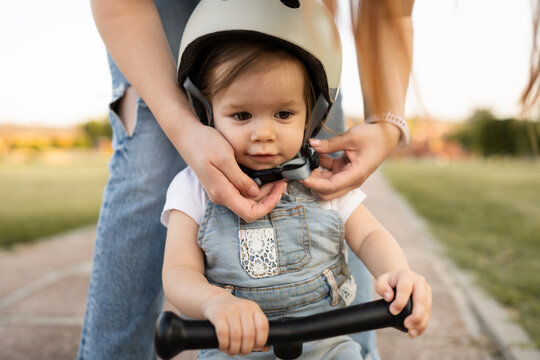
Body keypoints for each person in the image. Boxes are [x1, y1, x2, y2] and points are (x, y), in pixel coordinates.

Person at [80, 0, 415, 359]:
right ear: (205, 110)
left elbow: (368, 234)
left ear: (313, 114)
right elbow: (178, 270)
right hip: (233, 351)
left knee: (307, 50)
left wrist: (397, 273)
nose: (263, 133)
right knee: (148, 157)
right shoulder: (190, 190)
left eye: (284, 113)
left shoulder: (321, 178)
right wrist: (214, 303)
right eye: (242, 114)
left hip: (328, 346)